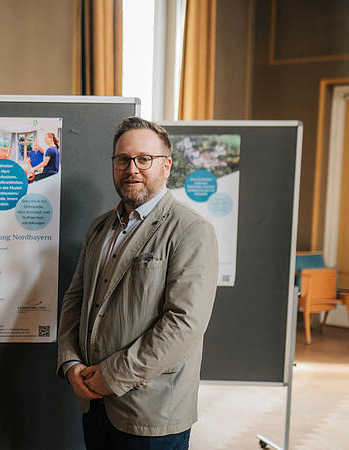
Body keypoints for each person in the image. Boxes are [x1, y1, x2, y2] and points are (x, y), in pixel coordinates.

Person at [57, 117, 218, 450]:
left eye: (144, 159)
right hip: (93, 403)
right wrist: (71, 362)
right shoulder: (100, 227)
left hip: (152, 411)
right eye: (122, 159)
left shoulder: (191, 230)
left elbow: (184, 324)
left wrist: (111, 376)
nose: (132, 168)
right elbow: (76, 298)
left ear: (166, 165)